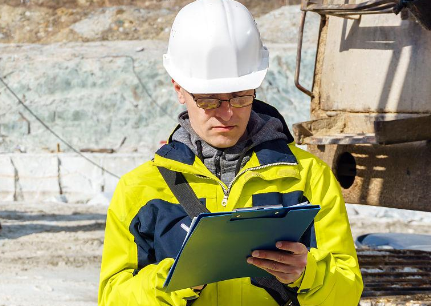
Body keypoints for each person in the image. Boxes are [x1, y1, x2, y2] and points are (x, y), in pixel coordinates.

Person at [97, 0, 363, 305]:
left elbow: (347, 291)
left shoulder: (308, 178)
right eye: (209, 100)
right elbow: (113, 297)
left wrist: (309, 274)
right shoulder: (139, 189)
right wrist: (172, 281)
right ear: (179, 89)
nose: (226, 114)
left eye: (239, 97)